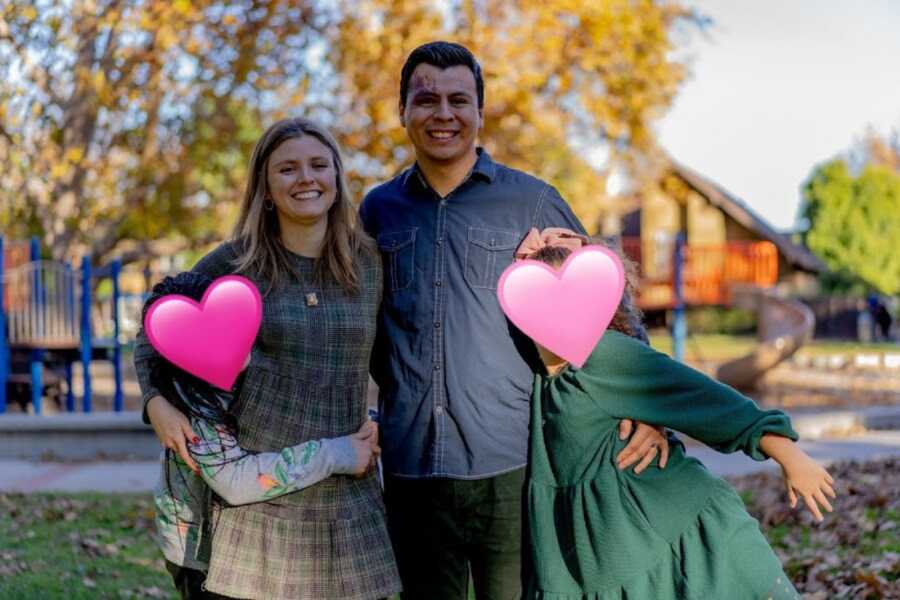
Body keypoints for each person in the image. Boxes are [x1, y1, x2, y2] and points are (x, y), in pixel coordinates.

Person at [359, 41, 668, 599]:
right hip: (410, 468)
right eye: (426, 100)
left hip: (513, 465)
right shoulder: (376, 211)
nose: (443, 114)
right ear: (402, 110)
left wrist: (648, 410)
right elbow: (358, 323)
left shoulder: (532, 201)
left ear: (481, 111)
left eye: (459, 100)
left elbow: (609, 306)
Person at [134, 117, 401, 599]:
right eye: (288, 169)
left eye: (320, 165)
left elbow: (402, 353)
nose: (307, 179)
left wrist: (388, 418)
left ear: (338, 180)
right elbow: (156, 325)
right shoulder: (233, 264)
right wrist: (155, 403)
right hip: (255, 495)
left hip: (348, 490)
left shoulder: (371, 263)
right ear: (266, 187)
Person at [522, 244, 836, 599]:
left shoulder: (606, 355)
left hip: (677, 531)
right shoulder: (537, 376)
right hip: (604, 551)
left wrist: (791, 457)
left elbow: (706, 400)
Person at [140, 271, 381, 599]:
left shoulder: (244, 370)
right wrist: (335, 454)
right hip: (197, 552)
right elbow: (235, 480)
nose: (232, 342)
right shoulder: (192, 405)